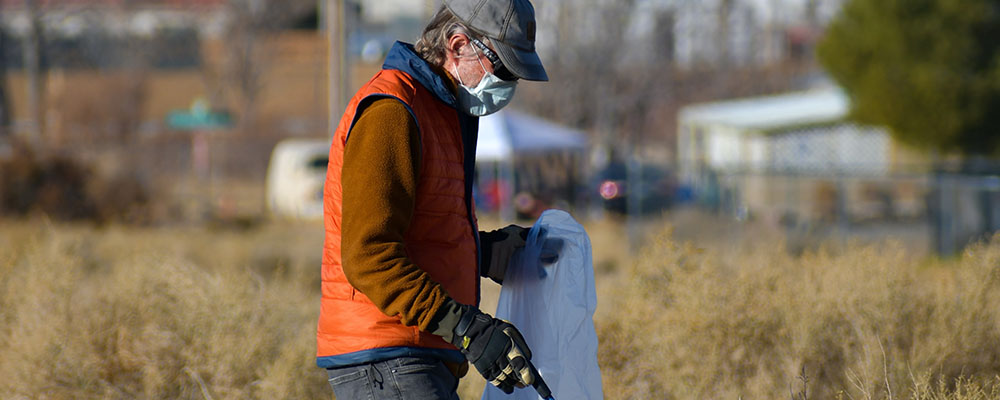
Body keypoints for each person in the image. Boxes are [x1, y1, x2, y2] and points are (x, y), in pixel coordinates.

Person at [316, 1, 549, 399]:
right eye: (505, 69)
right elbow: (369, 255)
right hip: (387, 358)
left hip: (411, 356)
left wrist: (486, 252)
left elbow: (420, 237)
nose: (509, 84)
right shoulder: (392, 110)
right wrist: (466, 328)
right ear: (458, 45)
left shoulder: (439, 112)